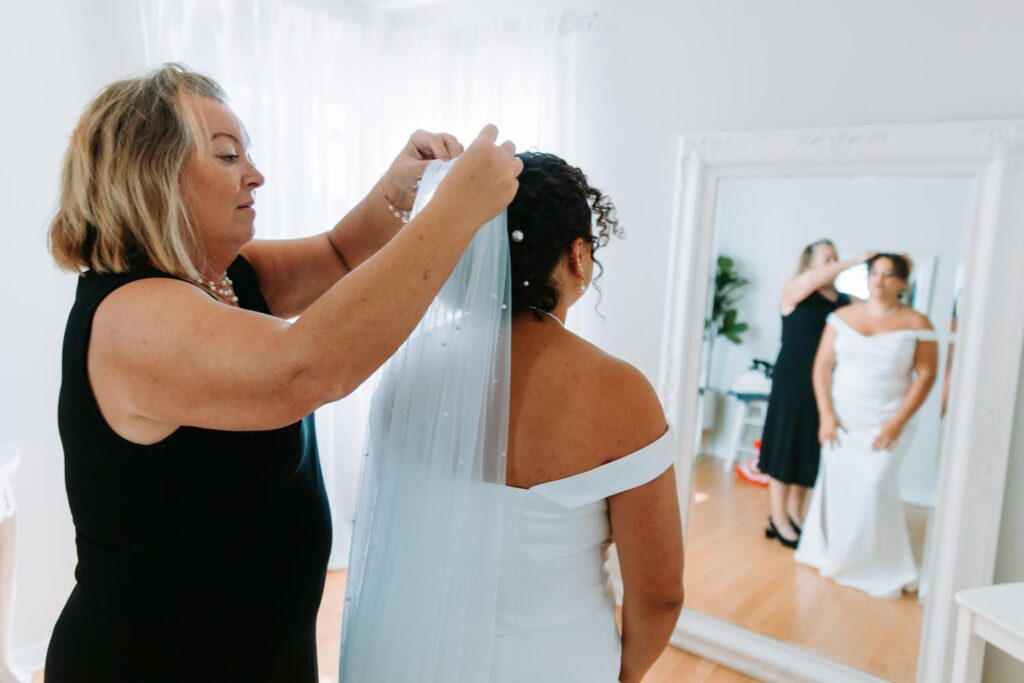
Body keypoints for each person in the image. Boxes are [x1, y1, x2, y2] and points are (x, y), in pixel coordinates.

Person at [44, 63, 521, 682]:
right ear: (150, 175)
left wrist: (396, 192)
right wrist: (455, 212)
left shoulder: (221, 277)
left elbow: (338, 254)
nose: (256, 174)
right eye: (226, 155)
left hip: (259, 649)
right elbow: (308, 369)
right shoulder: (132, 317)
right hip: (153, 661)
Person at [340, 152, 684, 683]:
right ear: (577, 255)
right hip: (554, 662)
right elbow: (659, 595)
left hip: (408, 653)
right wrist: (629, 673)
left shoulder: (412, 365)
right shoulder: (620, 393)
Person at [795, 254, 938, 598]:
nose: (880, 280)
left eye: (889, 275)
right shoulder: (841, 317)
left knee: (875, 485)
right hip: (843, 419)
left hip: (887, 421)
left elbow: (926, 374)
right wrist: (826, 414)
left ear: (903, 283)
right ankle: (835, 554)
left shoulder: (917, 322)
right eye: (874, 272)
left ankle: (877, 565)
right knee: (840, 486)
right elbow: (822, 366)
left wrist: (898, 422)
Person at [758, 240, 874, 547]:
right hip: (792, 380)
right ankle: (778, 518)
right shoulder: (795, 290)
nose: (832, 261)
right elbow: (812, 281)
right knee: (785, 445)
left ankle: (796, 514)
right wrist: (853, 259)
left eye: (835, 256)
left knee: (808, 449)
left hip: (824, 383)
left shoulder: (843, 302)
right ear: (809, 261)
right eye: (826, 256)